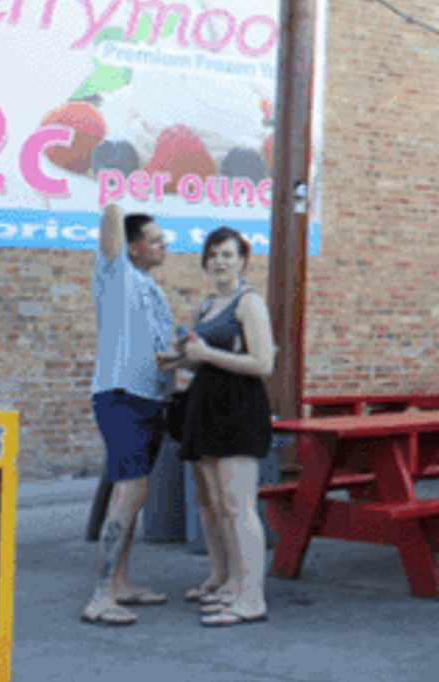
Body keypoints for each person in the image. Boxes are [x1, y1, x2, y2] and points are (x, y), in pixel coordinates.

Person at [160, 228, 276, 627]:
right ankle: (231, 584)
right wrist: (178, 361)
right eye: (213, 255)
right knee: (219, 505)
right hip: (205, 407)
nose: (220, 261)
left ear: (243, 259)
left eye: (228, 254)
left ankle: (252, 597)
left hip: (239, 408)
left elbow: (263, 364)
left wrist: (206, 353)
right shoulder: (206, 306)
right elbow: (202, 361)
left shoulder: (250, 303)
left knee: (239, 505)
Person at [82, 203, 176, 628]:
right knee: (129, 490)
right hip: (120, 395)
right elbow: (110, 228)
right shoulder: (115, 274)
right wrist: (117, 201)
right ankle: (100, 596)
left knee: (134, 495)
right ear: (133, 247)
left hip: (150, 398)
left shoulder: (152, 289)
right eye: (155, 239)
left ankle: (121, 583)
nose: (164, 245)